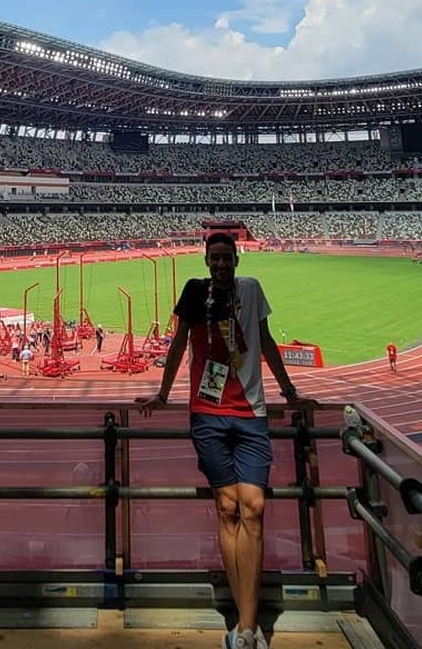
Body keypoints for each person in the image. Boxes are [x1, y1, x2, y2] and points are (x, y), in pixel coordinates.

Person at [137, 232, 308, 649]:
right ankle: (246, 628)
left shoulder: (251, 290)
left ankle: (245, 624)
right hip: (208, 413)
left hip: (252, 413)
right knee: (227, 506)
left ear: (236, 258)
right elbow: (178, 345)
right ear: (206, 260)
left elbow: (266, 343)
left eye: (226, 257)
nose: (220, 264)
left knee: (254, 506)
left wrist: (290, 393)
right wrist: (162, 395)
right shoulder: (195, 293)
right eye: (214, 258)